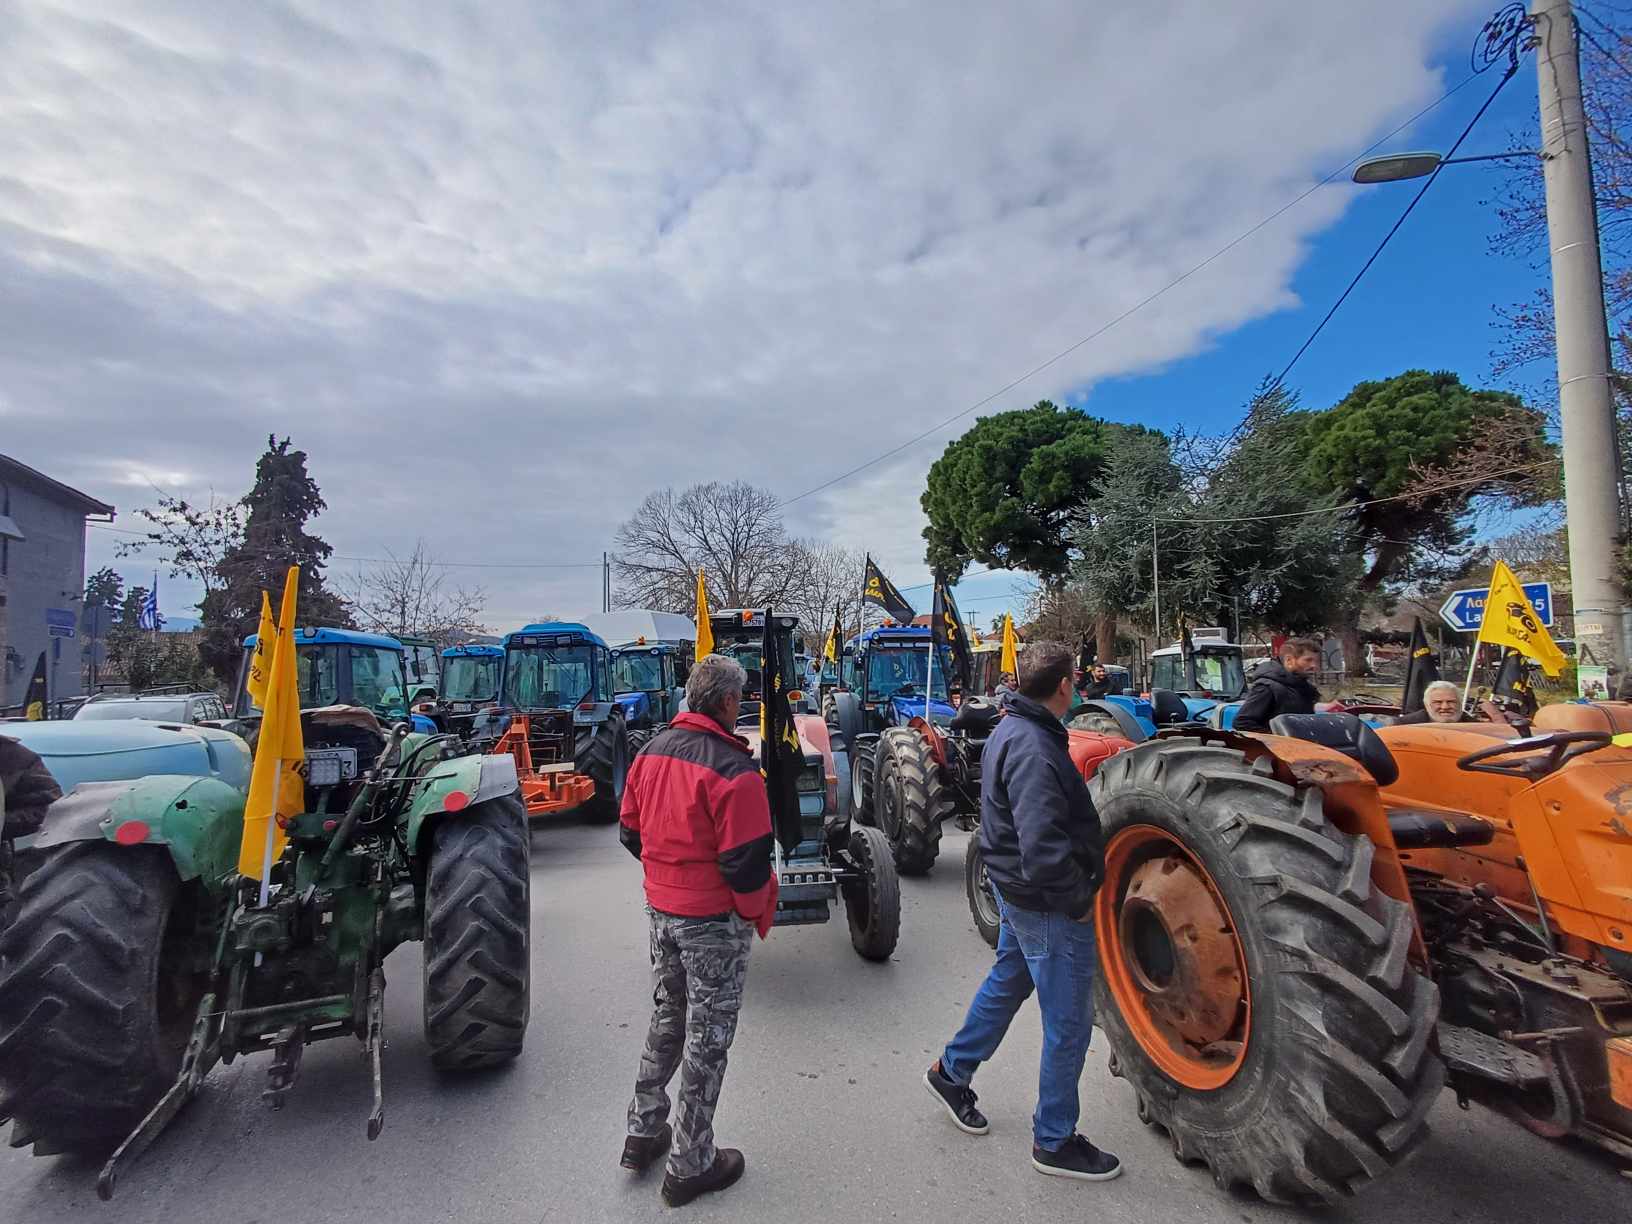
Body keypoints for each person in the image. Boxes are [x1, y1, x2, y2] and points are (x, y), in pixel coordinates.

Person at [923, 641, 1122, 1183]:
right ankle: (1054, 1140)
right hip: (1046, 902)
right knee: (1069, 1023)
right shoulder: (1033, 745)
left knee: (1010, 979)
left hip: (1017, 892)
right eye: (1076, 679)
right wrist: (1077, 902)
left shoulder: (1012, 727)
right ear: (1065, 685)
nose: (1078, 685)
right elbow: (1043, 846)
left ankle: (952, 1070)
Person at [617, 654, 778, 1208]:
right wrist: (759, 913)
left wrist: (668, 877)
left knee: (667, 1016)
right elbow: (748, 868)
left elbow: (630, 833)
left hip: (662, 912)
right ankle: (690, 1163)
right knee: (707, 1040)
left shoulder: (650, 752)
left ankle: (643, 1132)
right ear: (730, 703)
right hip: (713, 922)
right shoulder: (735, 772)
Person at [1233, 638, 1321, 733]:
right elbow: (1242, 722)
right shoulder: (1267, 687)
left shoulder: (1304, 688)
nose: (1314, 666)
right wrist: (1278, 738)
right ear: (1289, 660)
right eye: (1308, 660)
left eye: (1317, 661)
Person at [1395, 680, 1468, 725]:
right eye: (1438, 702)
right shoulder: (1405, 724)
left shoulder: (1475, 725)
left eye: (1451, 702)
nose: (1445, 707)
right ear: (1426, 705)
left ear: (1460, 704)